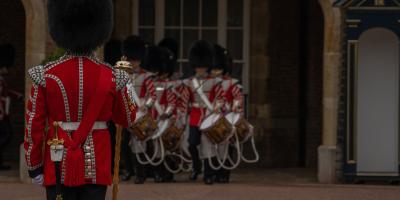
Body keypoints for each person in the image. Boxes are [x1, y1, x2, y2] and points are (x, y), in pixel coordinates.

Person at [24, 0, 136, 199]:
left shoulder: (46, 75)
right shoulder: (112, 76)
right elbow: (127, 119)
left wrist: (34, 166)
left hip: (58, 162)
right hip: (97, 165)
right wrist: (127, 86)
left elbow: (34, 127)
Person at [184, 40, 225, 185]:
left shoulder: (215, 82)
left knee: (207, 145)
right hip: (195, 116)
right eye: (198, 67)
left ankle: (209, 174)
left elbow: (221, 98)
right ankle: (196, 167)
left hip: (209, 115)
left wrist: (217, 107)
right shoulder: (189, 82)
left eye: (202, 66)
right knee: (192, 144)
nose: (200, 69)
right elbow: (185, 100)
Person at [212, 44, 244, 183]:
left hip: (228, 116)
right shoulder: (209, 83)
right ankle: (215, 171)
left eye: (217, 69)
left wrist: (236, 107)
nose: (214, 72)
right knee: (213, 146)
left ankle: (224, 173)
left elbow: (238, 98)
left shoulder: (232, 83)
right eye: (213, 69)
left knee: (225, 145)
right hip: (214, 116)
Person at [119, 35, 147, 182]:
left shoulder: (146, 76)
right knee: (124, 144)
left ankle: (140, 174)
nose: (133, 63)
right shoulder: (122, 76)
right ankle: (127, 170)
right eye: (131, 60)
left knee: (138, 143)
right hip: (125, 114)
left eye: (135, 60)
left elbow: (152, 95)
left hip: (139, 114)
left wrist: (146, 104)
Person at [0, 43, 22, 171]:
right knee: (6, 134)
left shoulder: (2, 79)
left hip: (4, 111)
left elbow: (6, 92)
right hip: (1, 113)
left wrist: (17, 95)